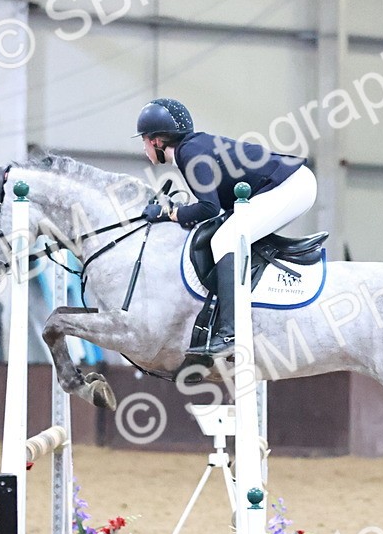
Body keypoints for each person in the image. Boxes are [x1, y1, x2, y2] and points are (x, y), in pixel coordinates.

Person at [134, 97, 317, 358]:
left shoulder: (189, 153)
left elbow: (209, 208)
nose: (144, 148)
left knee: (226, 240)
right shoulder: (192, 148)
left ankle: (231, 332)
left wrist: (168, 213)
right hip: (289, 185)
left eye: (144, 140)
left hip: (293, 186)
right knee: (229, 233)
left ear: (156, 141)